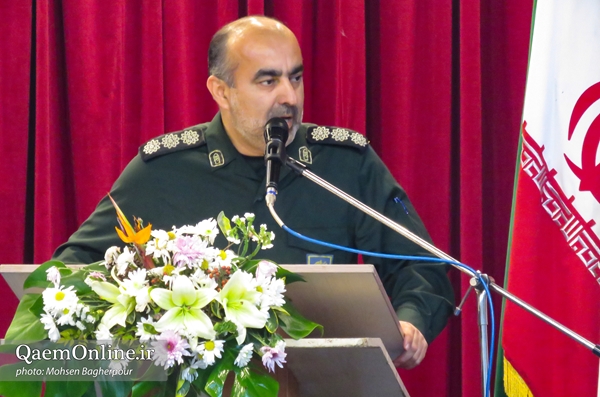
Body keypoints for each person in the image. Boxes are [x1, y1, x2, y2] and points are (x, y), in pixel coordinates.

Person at [53, 16, 454, 369]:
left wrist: (411, 320)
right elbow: (72, 269)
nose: (289, 97)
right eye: (268, 81)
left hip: (325, 379)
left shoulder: (344, 164)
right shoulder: (164, 171)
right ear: (221, 91)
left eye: (295, 78)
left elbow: (420, 264)